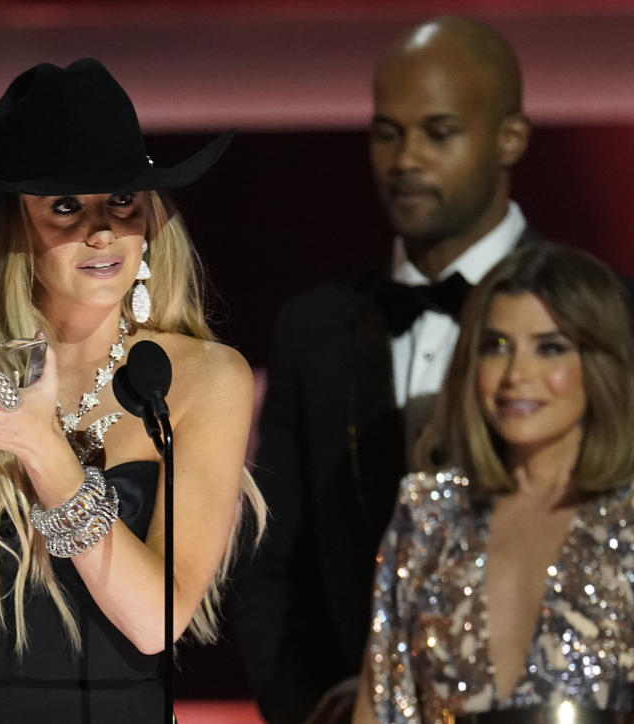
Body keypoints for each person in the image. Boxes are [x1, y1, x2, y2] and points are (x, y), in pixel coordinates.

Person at [0, 58, 264, 724]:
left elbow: (157, 622)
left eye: (121, 202)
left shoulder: (204, 378)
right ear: (14, 222)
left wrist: (44, 452)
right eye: (66, 206)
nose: (101, 231)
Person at [229, 16, 536, 724]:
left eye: (439, 131)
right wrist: (307, 709)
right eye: (387, 132)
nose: (405, 160)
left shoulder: (604, 317)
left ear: (510, 138)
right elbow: (269, 558)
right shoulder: (314, 328)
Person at [352, 242, 634, 723]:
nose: (516, 375)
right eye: (496, 346)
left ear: (600, 363)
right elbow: (381, 706)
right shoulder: (428, 514)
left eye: (550, 348)